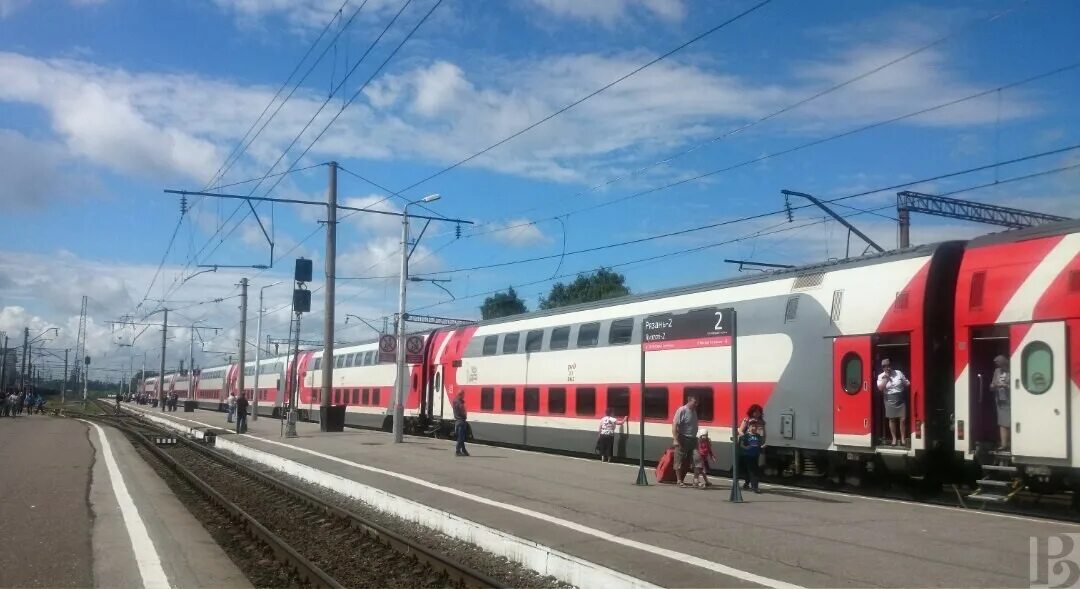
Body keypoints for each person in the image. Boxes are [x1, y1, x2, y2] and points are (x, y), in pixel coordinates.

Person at [877, 359, 911, 446]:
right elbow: (880, 388)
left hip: (900, 398)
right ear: (882, 368)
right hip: (889, 399)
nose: (887, 368)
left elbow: (906, 382)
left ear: (891, 365)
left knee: (903, 419)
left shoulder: (898, 373)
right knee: (892, 419)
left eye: (888, 365)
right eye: (884, 366)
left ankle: (903, 438)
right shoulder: (881, 376)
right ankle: (894, 439)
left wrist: (908, 384)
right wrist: (886, 378)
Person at [671, 394, 699, 488]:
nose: (696, 404)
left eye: (697, 402)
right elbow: (675, 425)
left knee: (697, 458)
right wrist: (675, 439)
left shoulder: (694, 411)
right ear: (689, 401)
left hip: (693, 439)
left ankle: (696, 480)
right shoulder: (682, 410)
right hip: (683, 438)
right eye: (695, 402)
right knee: (679, 460)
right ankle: (679, 480)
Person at [738, 404, 766, 493]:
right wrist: (747, 439)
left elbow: (763, 433)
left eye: (759, 412)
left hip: (757, 447)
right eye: (755, 412)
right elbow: (740, 430)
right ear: (752, 412)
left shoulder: (762, 422)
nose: (757, 413)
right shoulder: (747, 420)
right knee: (748, 468)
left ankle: (752, 485)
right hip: (747, 447)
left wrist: (763, 442)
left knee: (754, 467)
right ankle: (749, 483)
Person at [991, 354, 1010, 451]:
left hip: (1010, 400)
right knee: (1002, 423)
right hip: (1000, 400)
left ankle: (1010, 443)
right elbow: (992, 385)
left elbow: (1018, 385)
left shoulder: (1012, 370)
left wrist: (1006, 385)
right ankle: (1004, 444)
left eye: (999, 364)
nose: (998, 366)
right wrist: (994, 386)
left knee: (1010, 422)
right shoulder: (997, 371)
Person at [452, 390, 469, 456]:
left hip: (459, 421)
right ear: (460, 395)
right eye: (463, 395)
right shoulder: (458, 402)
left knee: (461, 437)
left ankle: (464, 450)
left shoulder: (455, 401)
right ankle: (457, 451)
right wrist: (465, 413)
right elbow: (462, 409)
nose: (464, 396)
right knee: (461, 438)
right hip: (461, 421)